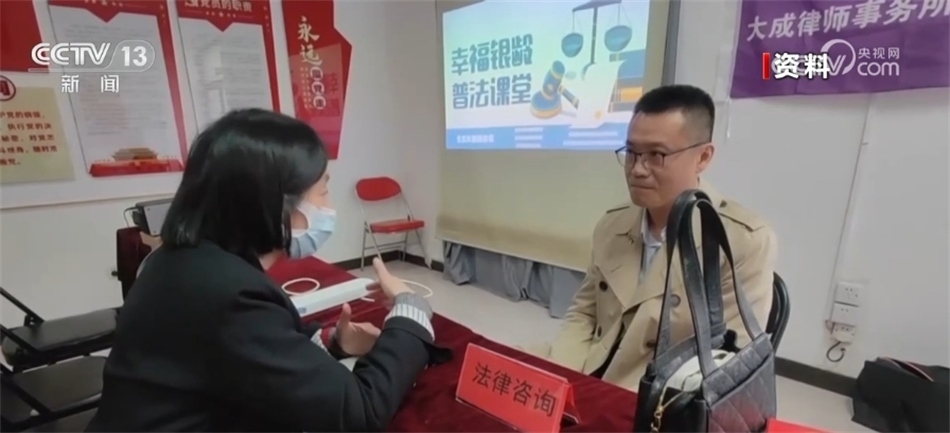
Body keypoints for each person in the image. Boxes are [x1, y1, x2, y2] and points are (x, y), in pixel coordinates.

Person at [87, 109, 441, 432]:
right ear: (274, 204)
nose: (329, 206)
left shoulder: (180, 259)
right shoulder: (228, 294)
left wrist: (332, 341)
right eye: (323, 191)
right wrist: (410, 311)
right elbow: (359, 413)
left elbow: (246, 353)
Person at [526, 85, 778, 391]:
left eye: (656, 155)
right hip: (593, 371)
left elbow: (729, 360)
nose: (638, 169)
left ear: (703, 157)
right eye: (632, 152)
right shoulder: (613, 225)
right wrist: (560, 377)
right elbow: (585, 312)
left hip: (660, 398)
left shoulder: (741, 241)